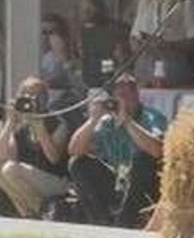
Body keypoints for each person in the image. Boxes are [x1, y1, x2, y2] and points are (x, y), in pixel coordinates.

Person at [67, 73, 166, 228]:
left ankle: (125, 221)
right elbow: (74, 150)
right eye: (120, 96)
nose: (124, 100)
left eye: (128, 94)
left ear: (136, 95)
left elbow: (157, 151)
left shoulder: (152, 116)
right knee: (78, 163)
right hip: (119, 181)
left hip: (146, 185)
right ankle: (102, 221)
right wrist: (93, 120)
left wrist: (127, 121)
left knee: (141, 158)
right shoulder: (107, 122)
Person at [0, 76, 71, 217]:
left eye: (36, 96)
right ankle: (28, 214)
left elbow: (54, 158)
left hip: (56, 180)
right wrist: (10, 123)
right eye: (25, 95)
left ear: (44, 98)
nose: (30, 100)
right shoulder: (21, 127)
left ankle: (41, 210)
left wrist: (40, 129)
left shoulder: (57, 123)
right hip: (30, 177)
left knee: (10, 169)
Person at [76, 0, 129, 88]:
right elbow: (80, 56)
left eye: (90, 10)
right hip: (87, 77)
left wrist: (107, 76)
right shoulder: (82, 31)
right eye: (86, 10)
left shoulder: (112, 30)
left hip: (107, 78)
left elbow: (115, 56)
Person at [40, 13, 81, 91]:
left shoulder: (73, 57)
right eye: (44, 32)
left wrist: (63, 57)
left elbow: (77, 86)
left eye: (52, 32)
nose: (47, 37)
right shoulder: (35, 57)